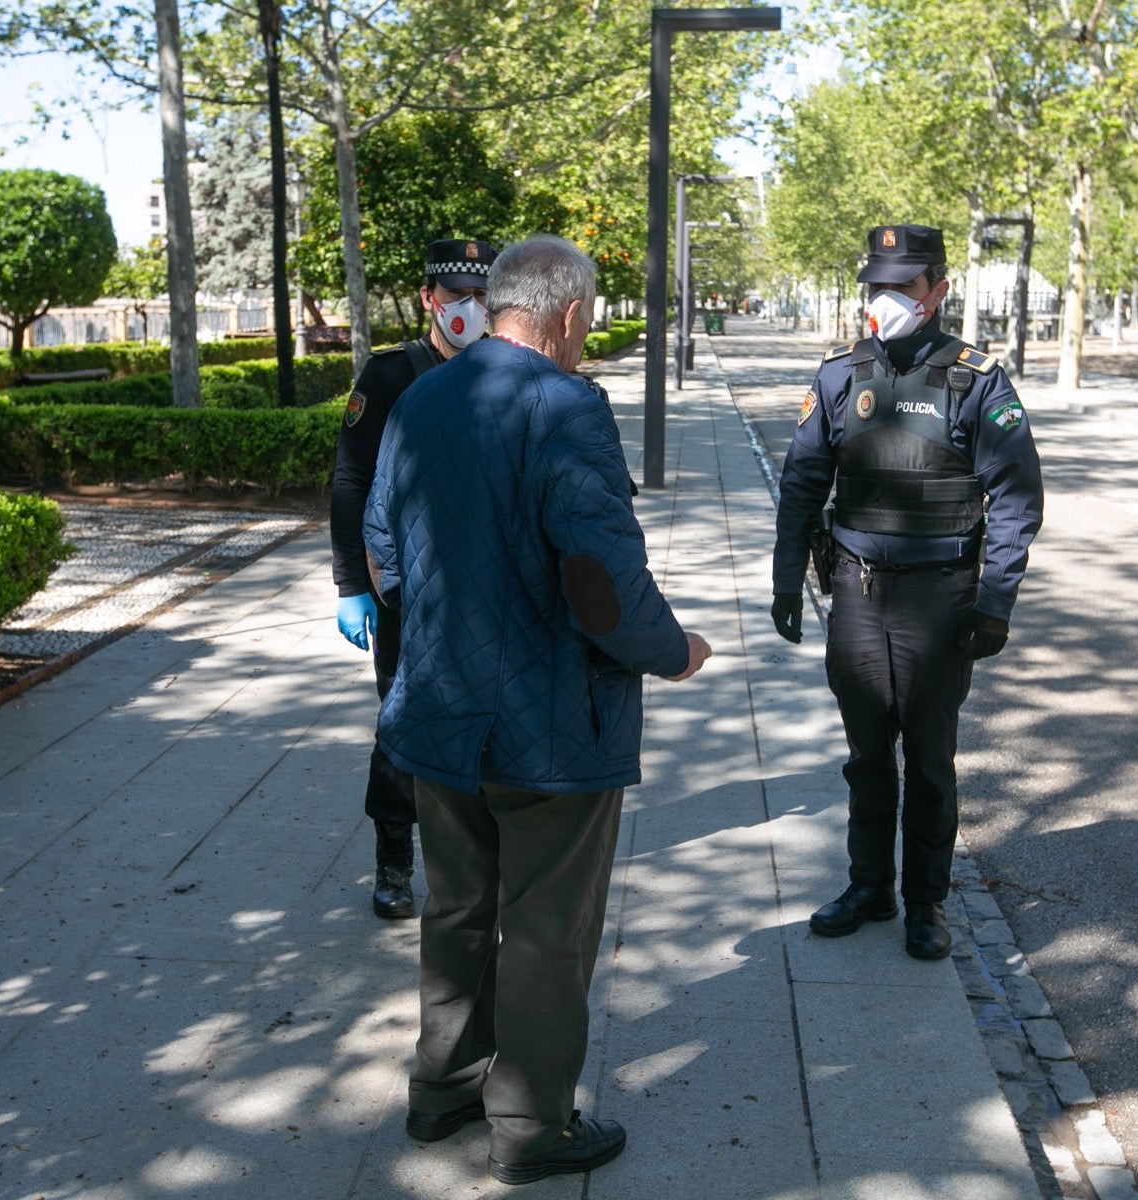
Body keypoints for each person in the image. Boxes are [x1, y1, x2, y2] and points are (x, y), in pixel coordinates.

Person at [364, 234, 712, 1185]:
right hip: (549, 730)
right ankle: (528, 1127)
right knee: (548, 933)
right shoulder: (569, 408)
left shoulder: (424, 395)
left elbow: (381, 549)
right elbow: (600, 577)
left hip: (437, 717)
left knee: (458, 911)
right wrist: (673, 651)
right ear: (565, 314)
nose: (589, 332)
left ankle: (441, 1093)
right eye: (590, 317)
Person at [770, 223, 1043, 961]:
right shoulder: (839, 375)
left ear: (938, 291)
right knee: (865, 755)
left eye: (905, 286)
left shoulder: (975, 379)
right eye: (878, 286)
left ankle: (926, 901)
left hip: (939, 600)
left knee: (927, 759)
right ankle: (870, 887)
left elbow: (1017, 498)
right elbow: (803, 483)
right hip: (857, 595)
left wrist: (995, 601)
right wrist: (785, 577)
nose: (887, 299)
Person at [329, 237, 496, 919]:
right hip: (403, 584)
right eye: (458, 297)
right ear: (429, 298)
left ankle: (477, 860)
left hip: (486, 582)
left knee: (489, 719)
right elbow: (350, 481)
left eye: (483, 297)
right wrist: (350, 584)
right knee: (403, 722)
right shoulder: (392, 374)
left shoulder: (502, 368)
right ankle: (394, 858)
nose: (471, 310)